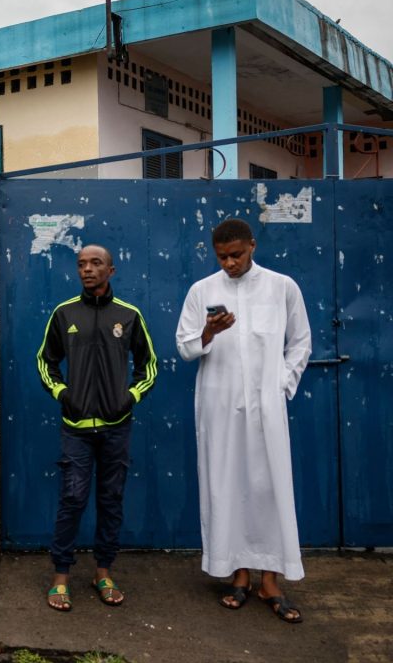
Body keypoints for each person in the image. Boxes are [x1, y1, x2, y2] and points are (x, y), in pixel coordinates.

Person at [175, 218, 311, 623]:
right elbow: (184, 347)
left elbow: (300, 341)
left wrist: (281, 383)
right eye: (222, 257)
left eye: (237, 254)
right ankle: (238, 573)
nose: (230, 263)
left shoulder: (282, 286)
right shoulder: (203, 290)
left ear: (252, 245)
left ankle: (271, 579)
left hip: (266, 404)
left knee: (269, 486)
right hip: (219, 404)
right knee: (227, 484)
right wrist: (209, 333)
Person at [36, 244, 157, 612]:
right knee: (72, 498)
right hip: (75, 427)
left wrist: (131, 397)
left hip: (116, 426)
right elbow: (46, 361)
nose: (87, 270)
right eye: (81, 264)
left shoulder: (129, 315)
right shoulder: (64, 313)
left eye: (95, 263)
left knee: (110, 499)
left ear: (111, 270)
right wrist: (61, 393)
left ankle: (103, 571)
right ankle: (60, 576)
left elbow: (148, 365)